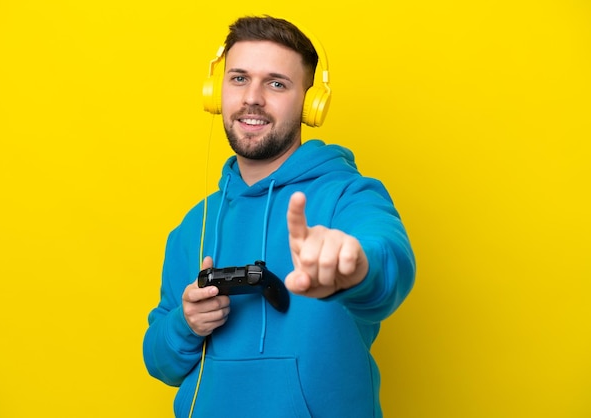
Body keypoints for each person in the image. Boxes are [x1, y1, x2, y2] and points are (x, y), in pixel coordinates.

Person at [143, 15, 416, 418]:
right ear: (216, 93)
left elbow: (390, 261)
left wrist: (356, 266)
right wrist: (186, 323)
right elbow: (159, 360)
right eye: (238, 79)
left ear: (310, 103)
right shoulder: (193, 225)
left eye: (276, 83)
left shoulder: (348, 194)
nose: (252, 97)